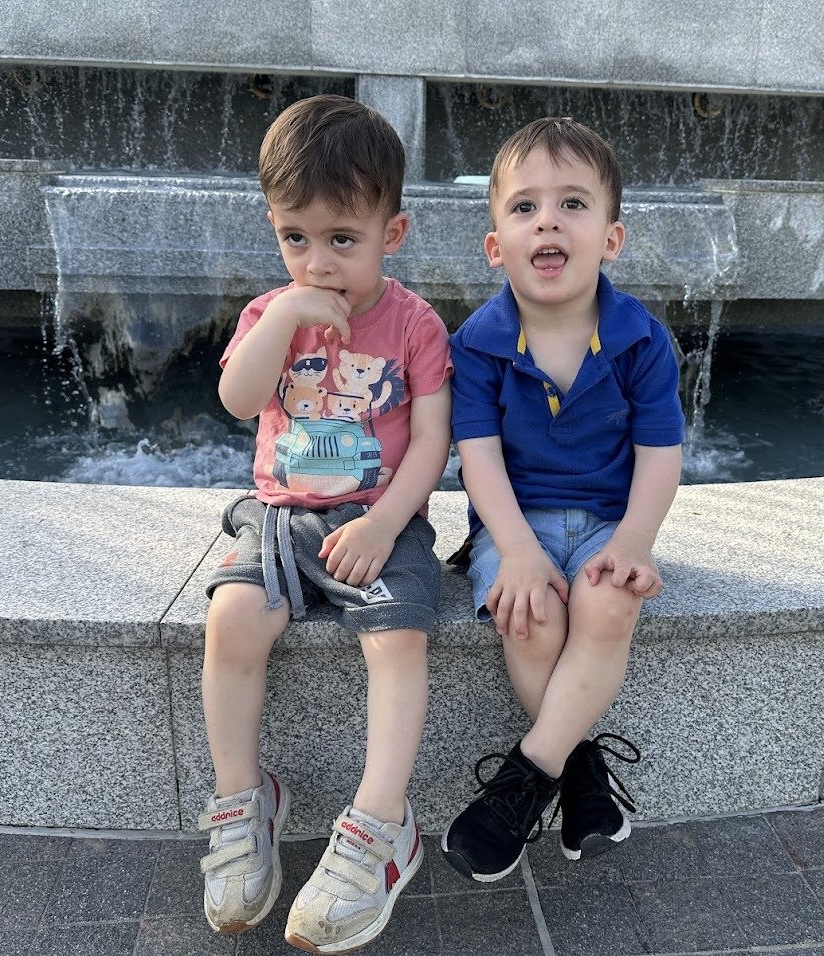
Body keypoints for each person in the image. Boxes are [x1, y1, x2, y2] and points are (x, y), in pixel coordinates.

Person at [200, 94, 451, 952]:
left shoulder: (414, 324)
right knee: (232, 618)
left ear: (393, 231)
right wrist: (280, 320)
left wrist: (386, 522)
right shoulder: (267, 314)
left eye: (342, 239)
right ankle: (243, 799)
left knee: (395, 637)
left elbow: (430, 441)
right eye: (294, 238)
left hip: (376, 518)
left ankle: (382, 826)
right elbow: (237, 400)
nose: (317, 262)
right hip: (279, 518)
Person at [441, 118, 684, 881]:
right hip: (517, 525)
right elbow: (476, 457)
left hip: (610, 522)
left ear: (610, 239)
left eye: (572, 204)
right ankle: (580, 774)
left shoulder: (641, 340)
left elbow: (660, 455)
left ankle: (523, 781)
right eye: (523, 208)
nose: (546, 219)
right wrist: (513, 550)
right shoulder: (476, 344)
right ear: (495, 247)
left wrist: (635, 541)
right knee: (530, 614)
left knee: (609, 604)